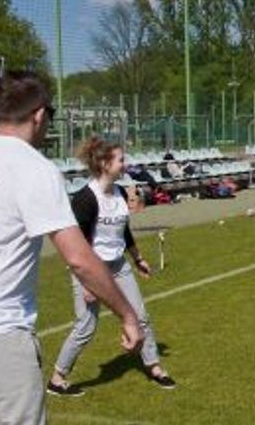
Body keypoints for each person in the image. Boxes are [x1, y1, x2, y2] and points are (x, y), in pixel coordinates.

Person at [0, 70, 143, 425]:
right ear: (38, 115)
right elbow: (79, 259)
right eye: (48, 114)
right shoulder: (34, 168)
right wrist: (128, 315)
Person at [47, 138, 176, 397]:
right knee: (86, 327)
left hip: (118, 266)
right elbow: (77, 244)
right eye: (121, 160)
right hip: (91, 270)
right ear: (105, 164)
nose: (125, 164)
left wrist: (138, 258)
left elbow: (124, 231)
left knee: (140, 316)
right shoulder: (85, 198)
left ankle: (154, 367)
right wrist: (86, 282)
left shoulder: (119, 193)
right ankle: (57, 379)